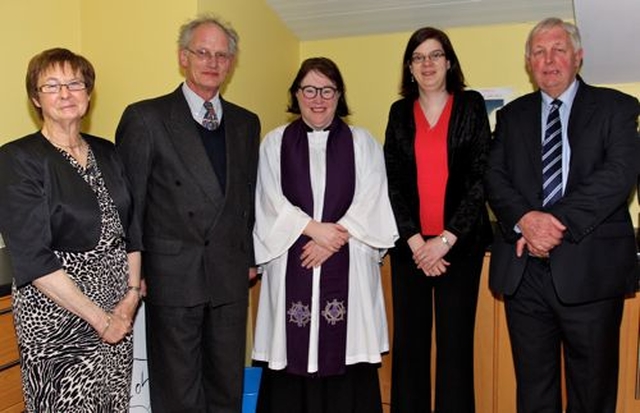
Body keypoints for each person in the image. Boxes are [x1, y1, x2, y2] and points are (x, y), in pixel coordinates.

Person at [485, 17, 640, 413]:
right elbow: (494, 177)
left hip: (591, 270)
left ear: (578, 57)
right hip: (525, 273)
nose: (548, 59)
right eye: (539, 52)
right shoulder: (511, 117)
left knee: (592, 391)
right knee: (534, 390)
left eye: (558, 49)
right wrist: (526, 219)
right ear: (528, 63)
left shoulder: (617, 108)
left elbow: (619, 176)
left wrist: (552, 222)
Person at [115, 15, 260, 413]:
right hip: (172, 276)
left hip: (229, 278)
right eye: (202, 53)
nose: (212, 62)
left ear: (231, 63)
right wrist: (136, 271)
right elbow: (129, 203)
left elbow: (246, 199)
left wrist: (248, 257)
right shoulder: (146, 118)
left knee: (227, 386)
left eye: (221, 55)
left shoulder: (247, 124)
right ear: (183, 57)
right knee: (178, 392)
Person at [252, 57, 398, 413]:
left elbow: (373, 197)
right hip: (293, 264)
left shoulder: (363, 143)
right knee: (292, 347)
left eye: (327, 90)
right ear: (297, 95)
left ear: (339, 95)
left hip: (348, 260)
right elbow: (268, 200)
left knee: (344, 349)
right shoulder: (274, 143)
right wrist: (314, 231)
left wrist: (334, 239)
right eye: (310, 90)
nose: (318, 99)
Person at [0, 48, 141, 412]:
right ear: (35, 98)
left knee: (113, 404)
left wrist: (129, 298)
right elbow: (33, 258)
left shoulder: (108, 152)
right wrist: (100, 319)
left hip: (117, 313)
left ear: (88, 92)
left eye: (75, 83)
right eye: (52, 85)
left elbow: (132, 230)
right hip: (58, 320)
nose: (65, 94)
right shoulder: (17, 159)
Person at [383, 27, 492, 413]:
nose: (427, 64)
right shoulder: (399, 113)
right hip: (410, 250)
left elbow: (482, 177)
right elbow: (392, 181)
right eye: (418, 57)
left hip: (459, 248)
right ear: (409, 68)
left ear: (449, 62)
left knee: (455, 345)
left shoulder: (471, 105)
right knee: (409, 345)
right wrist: (415, 242)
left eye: (435, 55)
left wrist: (444, 240)